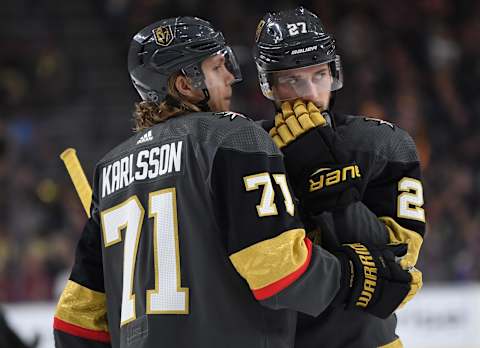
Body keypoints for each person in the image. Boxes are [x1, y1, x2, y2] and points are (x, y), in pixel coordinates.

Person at [53, 16, 420, 348]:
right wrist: (356, 274)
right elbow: (278, 272)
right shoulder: (234, 138)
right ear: (186, 84)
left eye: (319, 74)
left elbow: (75, 323)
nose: (231, 75)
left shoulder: (111, 167)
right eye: (218, 67)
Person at [253, 7, 425, 348]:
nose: (310, 93)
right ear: (268, 85)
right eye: (292, 80)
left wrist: (324, 176)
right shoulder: (246, 151)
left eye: (319, 75)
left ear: (334, 74)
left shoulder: (383, 144)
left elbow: (397, 264)